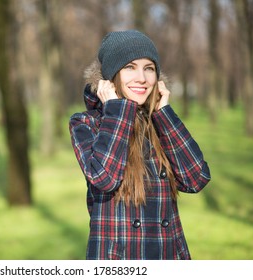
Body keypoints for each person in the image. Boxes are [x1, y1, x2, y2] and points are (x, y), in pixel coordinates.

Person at [69, 30, 211, 260]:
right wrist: (117, 110)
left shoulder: (159, 121)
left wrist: (163, 113)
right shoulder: (87, 123)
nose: (142, 78)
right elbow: (105, 178)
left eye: (149, 68)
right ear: (110, 77)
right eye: (130, 67)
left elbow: (196, 179)